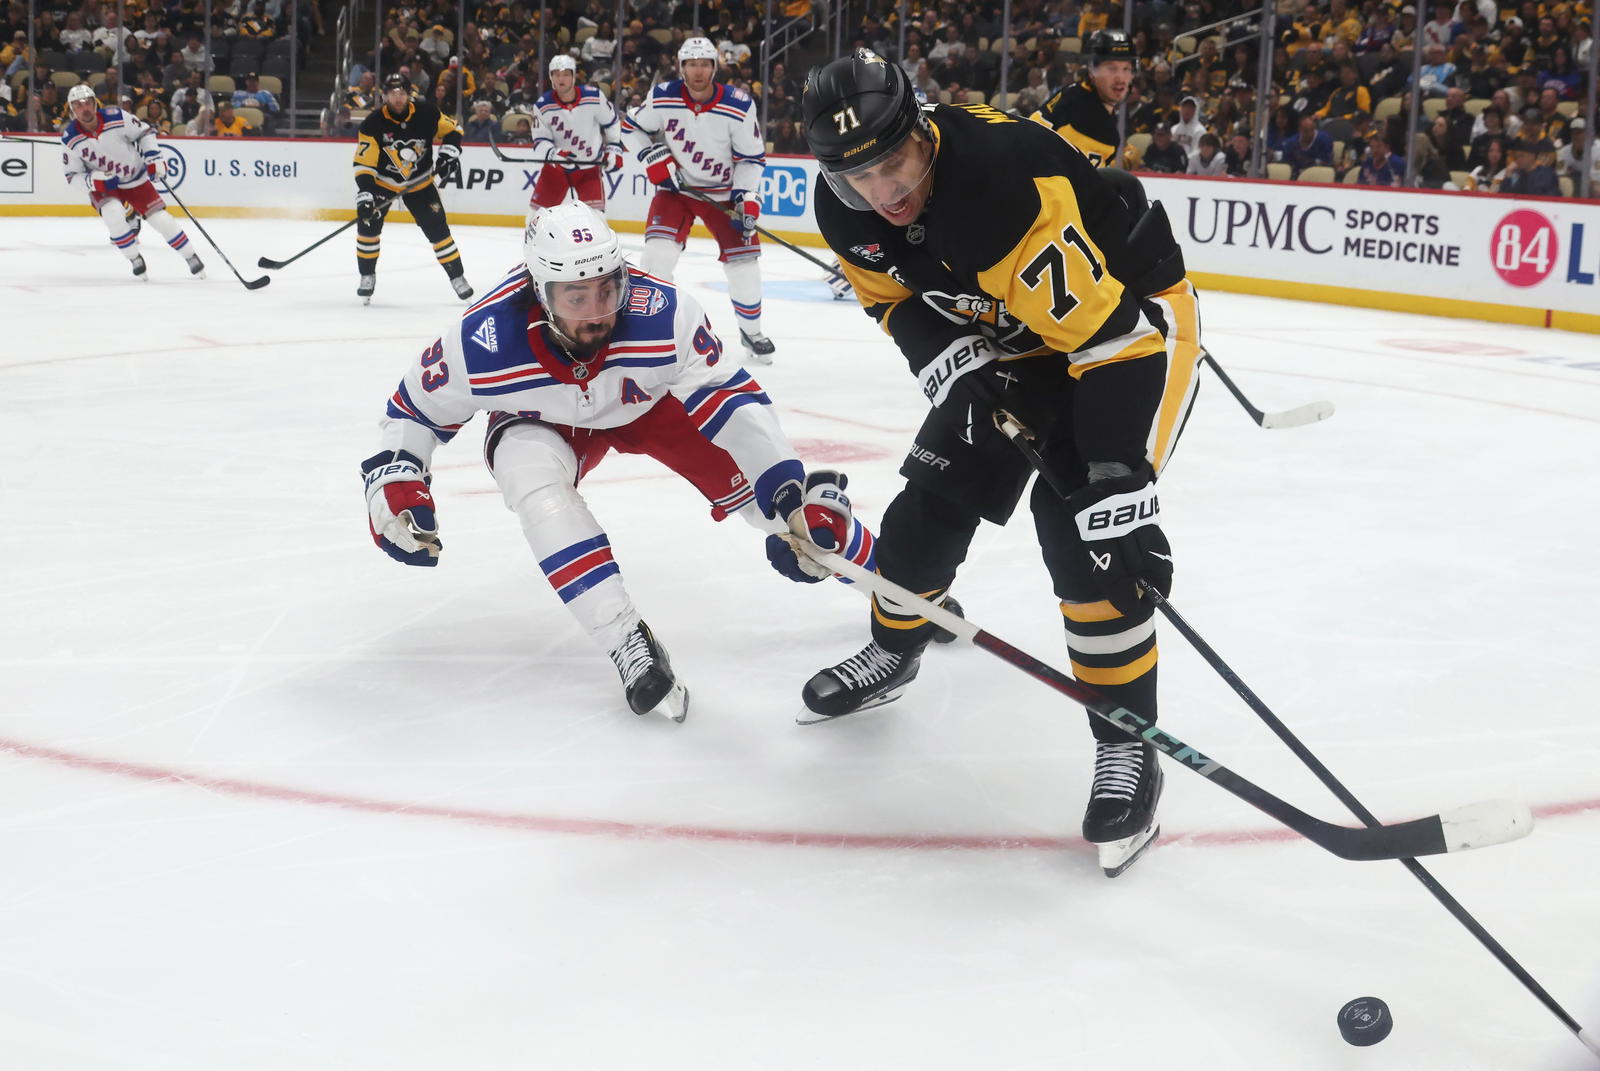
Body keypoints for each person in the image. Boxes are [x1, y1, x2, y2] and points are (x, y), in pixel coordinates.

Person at [799, 50, 1203, 878]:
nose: (884, 191)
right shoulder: (846, 209)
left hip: (1127, 336)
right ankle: (896, 645)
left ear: (924, 131)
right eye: (859, 176)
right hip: (1015, 335)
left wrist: (1119, 484)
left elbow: (1114, 343)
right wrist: (945, 353)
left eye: (896, 161)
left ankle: (1129, 747)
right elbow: (895, 300)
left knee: (1090, 546)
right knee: (923, 516)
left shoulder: (998, 189)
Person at [359, 202, 876, 723]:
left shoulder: (666, 313)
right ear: (538, 291)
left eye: (607, 289)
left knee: (785, 516)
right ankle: (626, 639)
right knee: (532, 485)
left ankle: (897, 583)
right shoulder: (481, 340)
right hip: (545, 419)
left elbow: (732, 403)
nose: (596, 312)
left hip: (651, 405)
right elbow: (410, 414)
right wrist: (396, 481)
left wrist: (785, 489)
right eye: (574, 296)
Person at [620, 36, 775, 365]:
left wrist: (746, 197)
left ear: (715, 67)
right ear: (681, 67)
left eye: (705, 63)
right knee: (657, 256)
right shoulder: (662, 96)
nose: (698, 70)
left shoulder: (738, 103)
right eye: (691, 64)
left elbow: (751, 158)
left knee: (744, 265)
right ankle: (653, 328)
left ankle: (752, 331)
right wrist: (651, 157)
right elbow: (629, 127)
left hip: (722, 193)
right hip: (677, 191)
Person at [59, 83, 205, 280]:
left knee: (161, 220)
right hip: (105, 186)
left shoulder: (116, 117)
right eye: (77, 105)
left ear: (95, 104)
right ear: (71, 109)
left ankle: (190, 256)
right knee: (113, 213)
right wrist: (95, 181)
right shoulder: (70, 138)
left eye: (87, 103)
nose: (83, 108)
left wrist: (154, 157)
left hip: (134, 177)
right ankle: (134, 257)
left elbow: (144, 132)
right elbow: (72, 176)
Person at [351, 72, 472, 304]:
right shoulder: (372, 123)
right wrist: (365, 194)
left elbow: (454, 130)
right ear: (384, 95)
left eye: (402, 93)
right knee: (368, 228)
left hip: (420, 182)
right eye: (392, 93)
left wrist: (448, 153)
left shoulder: (427, 112)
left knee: (439, 231)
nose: (398, 98)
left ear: (409, 94)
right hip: (382, 184)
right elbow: (364, 163)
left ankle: (458, 277)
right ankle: (367, 275)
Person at [528, 54, 624, 220]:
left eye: (566, 74)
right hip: (555, 171)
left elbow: (612, 122)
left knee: (596, 220)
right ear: (551, 77)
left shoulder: (593, 97)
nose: (561, 79)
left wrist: (614, 148)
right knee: (534, 219)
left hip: (589, 168)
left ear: (573, 76)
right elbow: (540, 140)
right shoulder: (542, 106)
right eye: (556, 74)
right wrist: (554, 156)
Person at [1030, 29, 1136, 167]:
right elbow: (1080, 181)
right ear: (1092, 69)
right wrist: (1119, 162)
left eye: (1126, 69)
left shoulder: (1077, 92)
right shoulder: (1088, 116)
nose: (1120, 78)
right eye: (1111, 68)